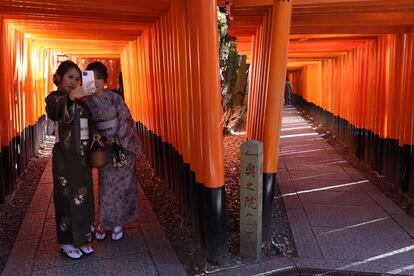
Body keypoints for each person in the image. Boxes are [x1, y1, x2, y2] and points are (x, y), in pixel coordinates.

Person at [84, 61, 142, 241]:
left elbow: (126, 121)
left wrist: (116, 140)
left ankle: (117, 223)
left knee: (122, 188)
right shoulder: (85, 102)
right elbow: (87, 125)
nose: (96, 82)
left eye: (99, 78)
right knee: (106, 188)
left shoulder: (116, 99)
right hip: (103, 148)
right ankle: (104, 222)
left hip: (121, 148)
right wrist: (98, 138)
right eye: (92, 79)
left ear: (105, 80)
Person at [45, 60, 96, 259]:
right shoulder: (54, 98)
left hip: (82, 157)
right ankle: (67, 242)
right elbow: (56, 110)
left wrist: (96, 135)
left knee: (84, 195)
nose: (73, 82)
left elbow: (89, 123)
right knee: (66, 197)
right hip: (65, 158)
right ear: (58, 77)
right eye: (69, 77)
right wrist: (73, 96)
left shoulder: (82, 101)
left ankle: (82, 238)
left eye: (76, 79)